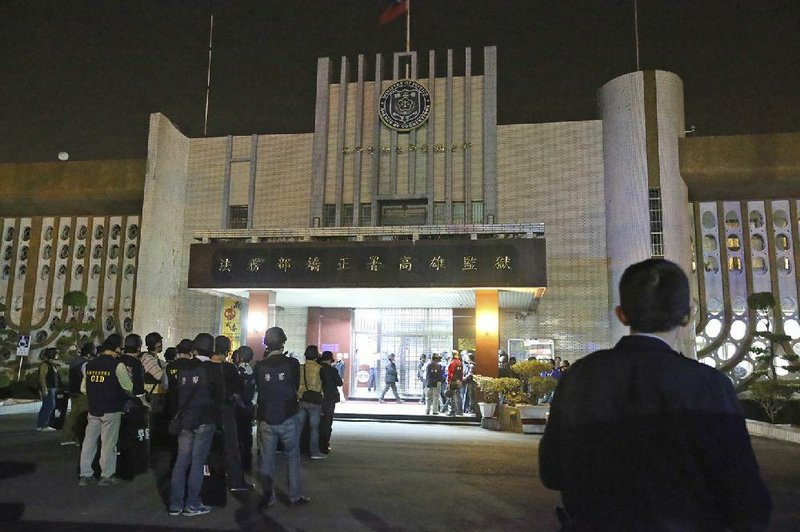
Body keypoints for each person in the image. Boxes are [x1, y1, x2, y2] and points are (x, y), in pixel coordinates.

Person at [539, 258, 772, 530]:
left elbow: (552, 472)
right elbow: (746, 497)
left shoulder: (580, 376)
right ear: (688, 314)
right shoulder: (710, 386)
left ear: (621, 314)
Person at [168, 333, 224, 516]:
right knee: (197, 463)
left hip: (185, 419)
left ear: (195, 348)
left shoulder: (183, 367)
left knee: (181, 462)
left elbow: (176, 393)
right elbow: (220, 397)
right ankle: (192, 504)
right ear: (211, 350)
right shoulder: (215, 369)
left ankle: (175, 505)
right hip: (205, 420)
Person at [254, 326, 310, 508]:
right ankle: (294, 495)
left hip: (265, 417)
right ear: (283, 342)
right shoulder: (292, 364)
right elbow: (294, 386)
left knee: (267, 459)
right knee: (292, 457)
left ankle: (268, 497)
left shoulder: (259, 365)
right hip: (288, 416)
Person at [78, 334, 133, 486]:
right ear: (116, 349)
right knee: (108, 443)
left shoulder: (90, 365)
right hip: (111, 408)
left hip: (94, 408)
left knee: (89, 441)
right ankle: (106, 474)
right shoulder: (118, 365)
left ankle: (85, 474)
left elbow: (83, 388)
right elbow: (128, 386)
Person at [211, 335, 250, 491]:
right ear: (227, 351)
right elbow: (239, 389)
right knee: (231, 447)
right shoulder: (229, 368)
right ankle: (235, 481)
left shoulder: (203, 367)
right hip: (226, 411)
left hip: (205, 411)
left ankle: (209, 480)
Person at [61, 342, 96, 445]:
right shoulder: (85, 364)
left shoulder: (75, 362)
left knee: (73, 415)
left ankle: (67, 437)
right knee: (83, 417)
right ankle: (79, 438)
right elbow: (87, 379)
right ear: (89, 354)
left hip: (73, 392)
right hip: (82, 394)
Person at [297, 345, 326, 460]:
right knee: (314, 429)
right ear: (317, 356)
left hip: (302, 399)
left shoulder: (300, 368)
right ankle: (314, 452)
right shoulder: (320, 368)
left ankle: (294, 450)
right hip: (315, 401)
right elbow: (323, 385)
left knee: (298, 427)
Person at [232, 346, 256, 473]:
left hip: (239, 408)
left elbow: (236, 391)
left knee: (238, 437)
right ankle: (247, 464)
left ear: (239, 356)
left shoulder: (239, 371)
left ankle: (239, 466)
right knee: (247, 437)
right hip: (249, 407)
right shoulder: (252, 370)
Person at [318, 350, 342, 454]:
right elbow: (339, 383)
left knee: (317, 423)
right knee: (327, 423)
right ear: (330, 359)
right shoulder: (332, 370)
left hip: (317, 398)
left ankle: (315, 445)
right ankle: (324, 446)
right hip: (329, 399)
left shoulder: (317, 369)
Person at [36, 347, 61, 431]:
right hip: (48, 388)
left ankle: (41, 425)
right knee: (49, 405)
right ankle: (44, 424)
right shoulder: (45, 365)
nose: (57, 355)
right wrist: (44, 389)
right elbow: (42, 378)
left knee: (46, 406)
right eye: (56, 354)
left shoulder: (52, 364)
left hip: (52, 388)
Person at [446, 351, 463, 416]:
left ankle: (453, 411)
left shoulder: (452, 363)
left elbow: (450, 374)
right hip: (459, 381)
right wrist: (460, 380)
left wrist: (449, 382)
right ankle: (460, 411)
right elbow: (461, 374)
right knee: (459, 396)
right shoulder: (460, 362)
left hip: (453, 381)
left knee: (453, 396)